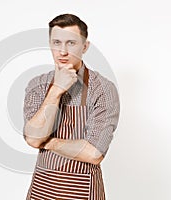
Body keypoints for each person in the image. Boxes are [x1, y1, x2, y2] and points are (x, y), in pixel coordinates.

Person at [23, 13, 120, 200]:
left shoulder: (102, 89)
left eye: (71, 43)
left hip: (81, 192)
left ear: (85, 46)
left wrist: (48, 142)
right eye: (57, 42)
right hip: (41, 191)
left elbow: (94, 153)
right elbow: (33, 139)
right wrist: (56, 90)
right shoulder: (38, 85)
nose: (63, 51)